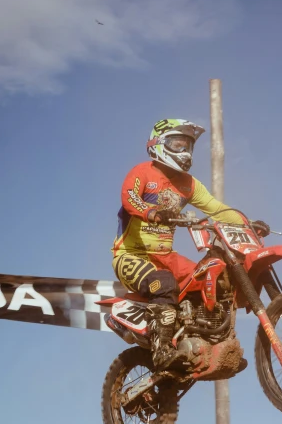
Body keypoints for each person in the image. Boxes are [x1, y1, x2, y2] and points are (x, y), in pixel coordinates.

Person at [111, 118, 270, 369]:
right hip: (132, 254)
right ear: (159, 144)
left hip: (167, 256)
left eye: (188, 145)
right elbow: (129, 197)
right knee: (164, 283)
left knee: (211, 278)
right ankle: (161, 351)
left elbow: (216, 208)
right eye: (177, 144)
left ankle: (211, 343)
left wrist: (248, 223)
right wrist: (152, 212)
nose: (185, 151)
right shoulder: (143, 172)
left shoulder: (189, 184)